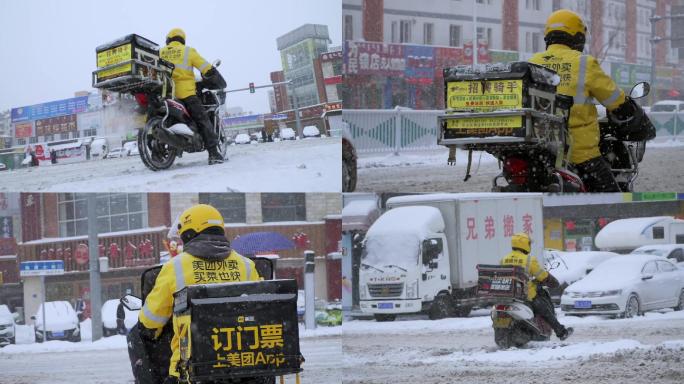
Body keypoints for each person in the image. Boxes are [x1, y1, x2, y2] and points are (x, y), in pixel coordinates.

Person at [137, 204, 260, 383]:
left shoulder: (176, 267)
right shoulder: (247, 266)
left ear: (189, 234)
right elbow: (260, 311)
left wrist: (150, 331)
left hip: (192, 370)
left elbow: (151, 320)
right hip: (246, 366)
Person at [529, 9, 640, 192]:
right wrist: (627, 108)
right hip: (578, 151)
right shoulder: (584, 63)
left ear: (548, 36)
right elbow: (615, 99)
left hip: (540, 149)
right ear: (577, 38)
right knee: (612, 198)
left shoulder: (533, 61)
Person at [160, 28, 224, 165]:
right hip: (186, 94)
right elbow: (205, 67)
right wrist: (211, 72)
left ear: (169, 39)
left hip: (164, 94)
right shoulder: (188, 51)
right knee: (203, 119)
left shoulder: (160, 52)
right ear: (182, 39)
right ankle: (214, 153)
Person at [499, 233, 572, 341]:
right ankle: (561, 332)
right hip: (526, 295)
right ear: (524, 244)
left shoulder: (504, 259)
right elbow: (542, 276)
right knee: (545, 311)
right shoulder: (529, 260)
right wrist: (552, 281)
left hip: (508, 294)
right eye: (528, 243)